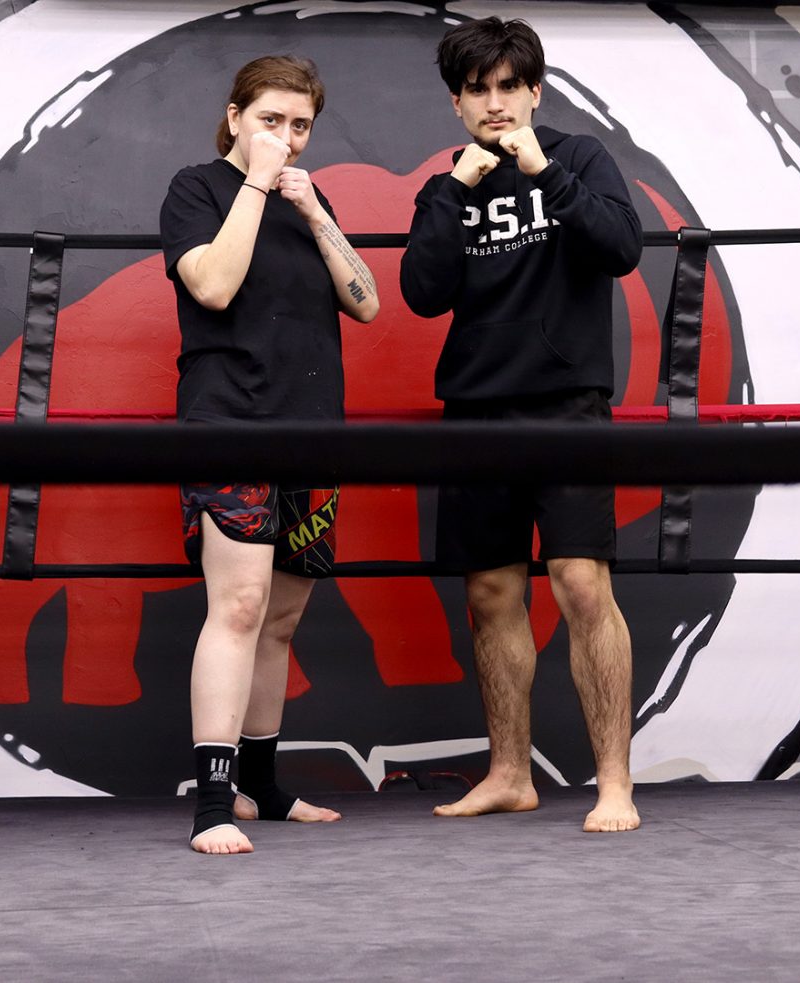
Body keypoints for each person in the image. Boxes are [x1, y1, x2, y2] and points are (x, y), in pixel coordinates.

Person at [400, 17, 643, 832]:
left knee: (581, 584)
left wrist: (547, 176)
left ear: (535, 92)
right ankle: (511, 772)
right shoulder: (444, 187)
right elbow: (423, 292)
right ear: (457, 104)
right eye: (479, 89)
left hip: (568, 404)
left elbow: (621, 248)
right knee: (492, 592)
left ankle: (615, 783)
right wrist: (458, 191)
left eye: (511, 86)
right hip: (475, 410)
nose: (496, 102)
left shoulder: (577, 159)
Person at [160, 55, 379, 854]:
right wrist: (256, 182)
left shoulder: (305, 199)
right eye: (269, 121)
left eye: (298, 125)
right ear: (233, 118)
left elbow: (367, 301)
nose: (283, 138)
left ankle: (261, 784)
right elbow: (213, 287)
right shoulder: (198, 189)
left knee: (282, 618)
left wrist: (316, 213)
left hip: (312, 429)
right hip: (231, 422)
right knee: (241, 605)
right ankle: (212, 802)